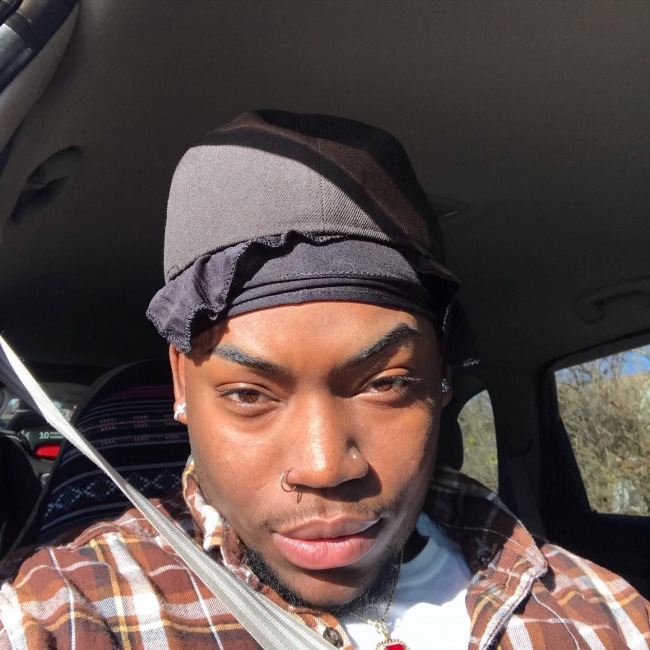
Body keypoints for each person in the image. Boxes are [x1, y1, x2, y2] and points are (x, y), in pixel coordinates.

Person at [0, 110, 648, 649]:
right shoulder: (64, 607)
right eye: (249, 394)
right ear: (180, 386)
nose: (325, 466)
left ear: (442, 377)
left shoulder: (603, 613)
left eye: (386, 383)